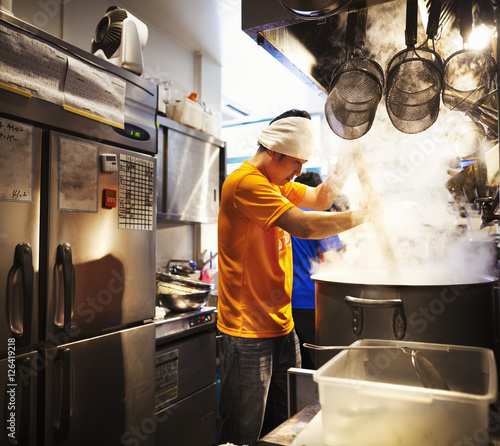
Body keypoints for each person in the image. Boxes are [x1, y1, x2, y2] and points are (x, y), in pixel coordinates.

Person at [216, 109, 372, 446]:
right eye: (296, 162)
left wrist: (348, 156)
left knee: (288, 427)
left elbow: (321, 198)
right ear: (273, 150)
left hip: (282, 326)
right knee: (244, 434)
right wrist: (362, 216)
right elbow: (306, 225)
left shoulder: (277, 182)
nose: (300, 172)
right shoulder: (246, 183)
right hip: (248, 331)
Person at [291, 171, 344, 370]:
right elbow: (332, 261)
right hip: (310, 301)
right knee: (321, 365)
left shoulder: (285, 214)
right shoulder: (319, 217)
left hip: (283, 302)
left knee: (296, 365)